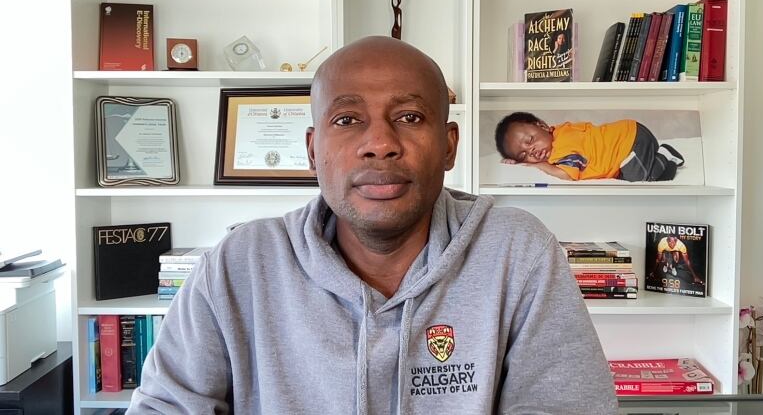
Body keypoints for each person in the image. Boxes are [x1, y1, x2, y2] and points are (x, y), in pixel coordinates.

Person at [127, 37, 618, 414]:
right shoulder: (239, 262)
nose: (380, 143)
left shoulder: (517, 250)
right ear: (313, 150)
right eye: (346, 121)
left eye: (408, 116)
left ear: (449, 146)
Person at [495, 111, 685, 181]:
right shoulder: (561, 134)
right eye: (524, 154)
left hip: (629, 142)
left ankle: (666, 154)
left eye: (530, 141)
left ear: (543, 126)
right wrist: (517, 163)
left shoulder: (564, 144)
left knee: (645, 179)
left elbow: (568, 175)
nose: (533, 152)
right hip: (631, 135)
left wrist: (539, 165)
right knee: (625, 176)